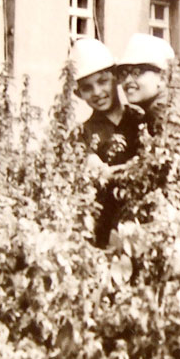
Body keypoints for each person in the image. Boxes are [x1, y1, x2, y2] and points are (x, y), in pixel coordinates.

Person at [69, 38, 144, 246]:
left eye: (103, 81)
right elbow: (99, 172)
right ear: (78, 93)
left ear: (117, 78)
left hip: (147, 221)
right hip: (105, 229)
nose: (97, 92)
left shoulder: (140, 119)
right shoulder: (82, 134)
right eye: (87, 87)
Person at [115, 33, 176, 133]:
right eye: (123, 73)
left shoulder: (171, 122)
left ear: (162, 78)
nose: (128, 80)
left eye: (137, 72)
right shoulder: (142, 118)